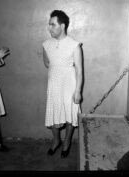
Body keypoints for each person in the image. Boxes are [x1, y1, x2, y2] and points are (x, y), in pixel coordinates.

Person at [42, 10, 83, 158]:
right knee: (54, 114)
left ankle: (66, 142)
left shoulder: (74, 45)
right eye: (49, 24)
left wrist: (77, 91)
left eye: (53, 25)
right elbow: (47, 63)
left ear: (62, 25)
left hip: (70, 85)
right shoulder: (46, 44)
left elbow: (79, 70)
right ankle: (56, 141)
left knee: (70, 115)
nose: (50, 28)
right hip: (54, 85)